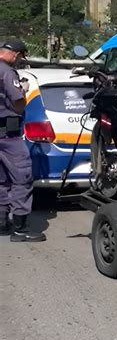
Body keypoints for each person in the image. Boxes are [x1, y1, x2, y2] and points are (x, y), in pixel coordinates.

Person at [0, 39, 46, 242]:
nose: (18, 62)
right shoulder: (7, 72)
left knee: (1, 179)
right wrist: (24, 92)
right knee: (22, 178)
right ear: (16, 54)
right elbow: (18, 104)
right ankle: (20, 229)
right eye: (19, 58)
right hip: (8, 135)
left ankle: (2, 223)